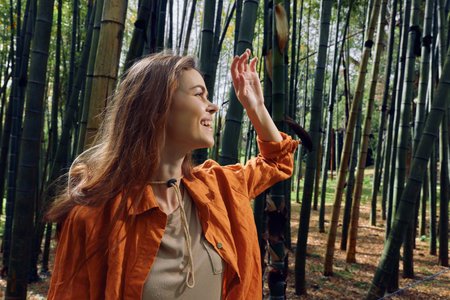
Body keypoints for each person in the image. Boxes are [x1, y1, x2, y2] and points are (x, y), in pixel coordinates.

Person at [46, 49, 299, 299]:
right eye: (199, 94)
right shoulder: (94, 218)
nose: (212, 107)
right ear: (156, 107)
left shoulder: (219, 187)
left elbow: (277, 161)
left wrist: (255, 106)